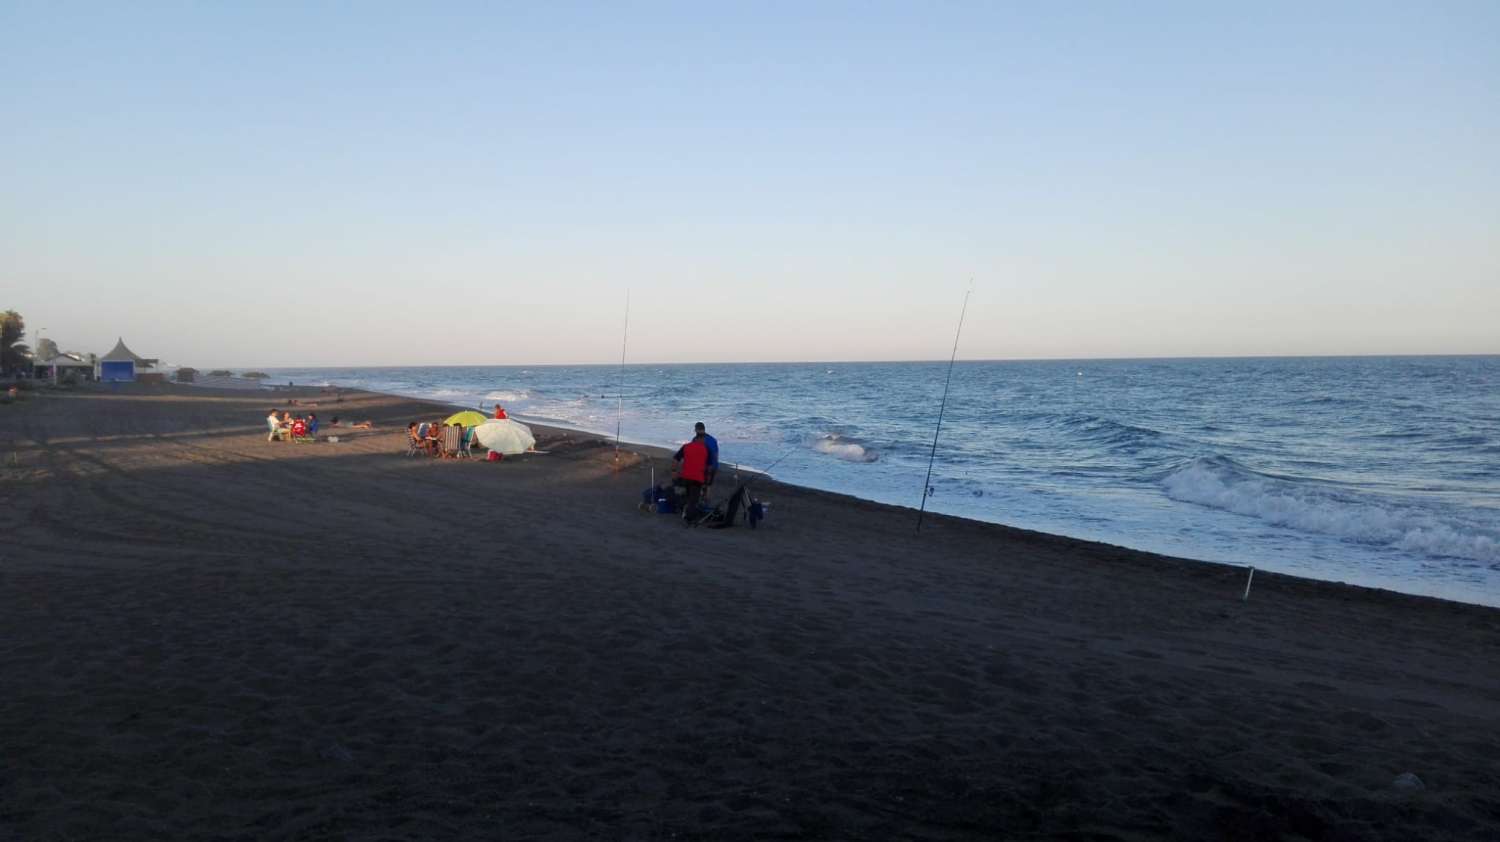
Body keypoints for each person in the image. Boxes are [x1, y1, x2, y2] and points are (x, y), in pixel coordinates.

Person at [673, 427, 712, 523]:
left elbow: (675, 459)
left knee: (688, 493)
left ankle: (683, 507)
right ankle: (688, 518)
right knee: (694, 499)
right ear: (702, 439)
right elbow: (709, 468)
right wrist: (707, 482)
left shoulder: (686, 446)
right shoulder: (707, 449)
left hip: (684, 477)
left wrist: (674, 471)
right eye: (704, 440)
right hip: (697, 478)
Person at [695, 422, 719, 488]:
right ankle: (706, 496)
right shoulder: (713, 440)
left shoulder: (695, 440)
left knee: (699, 484)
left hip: (703, 467)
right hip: (713, 466)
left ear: (697, 430)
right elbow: (716, 456)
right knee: (708, 485)